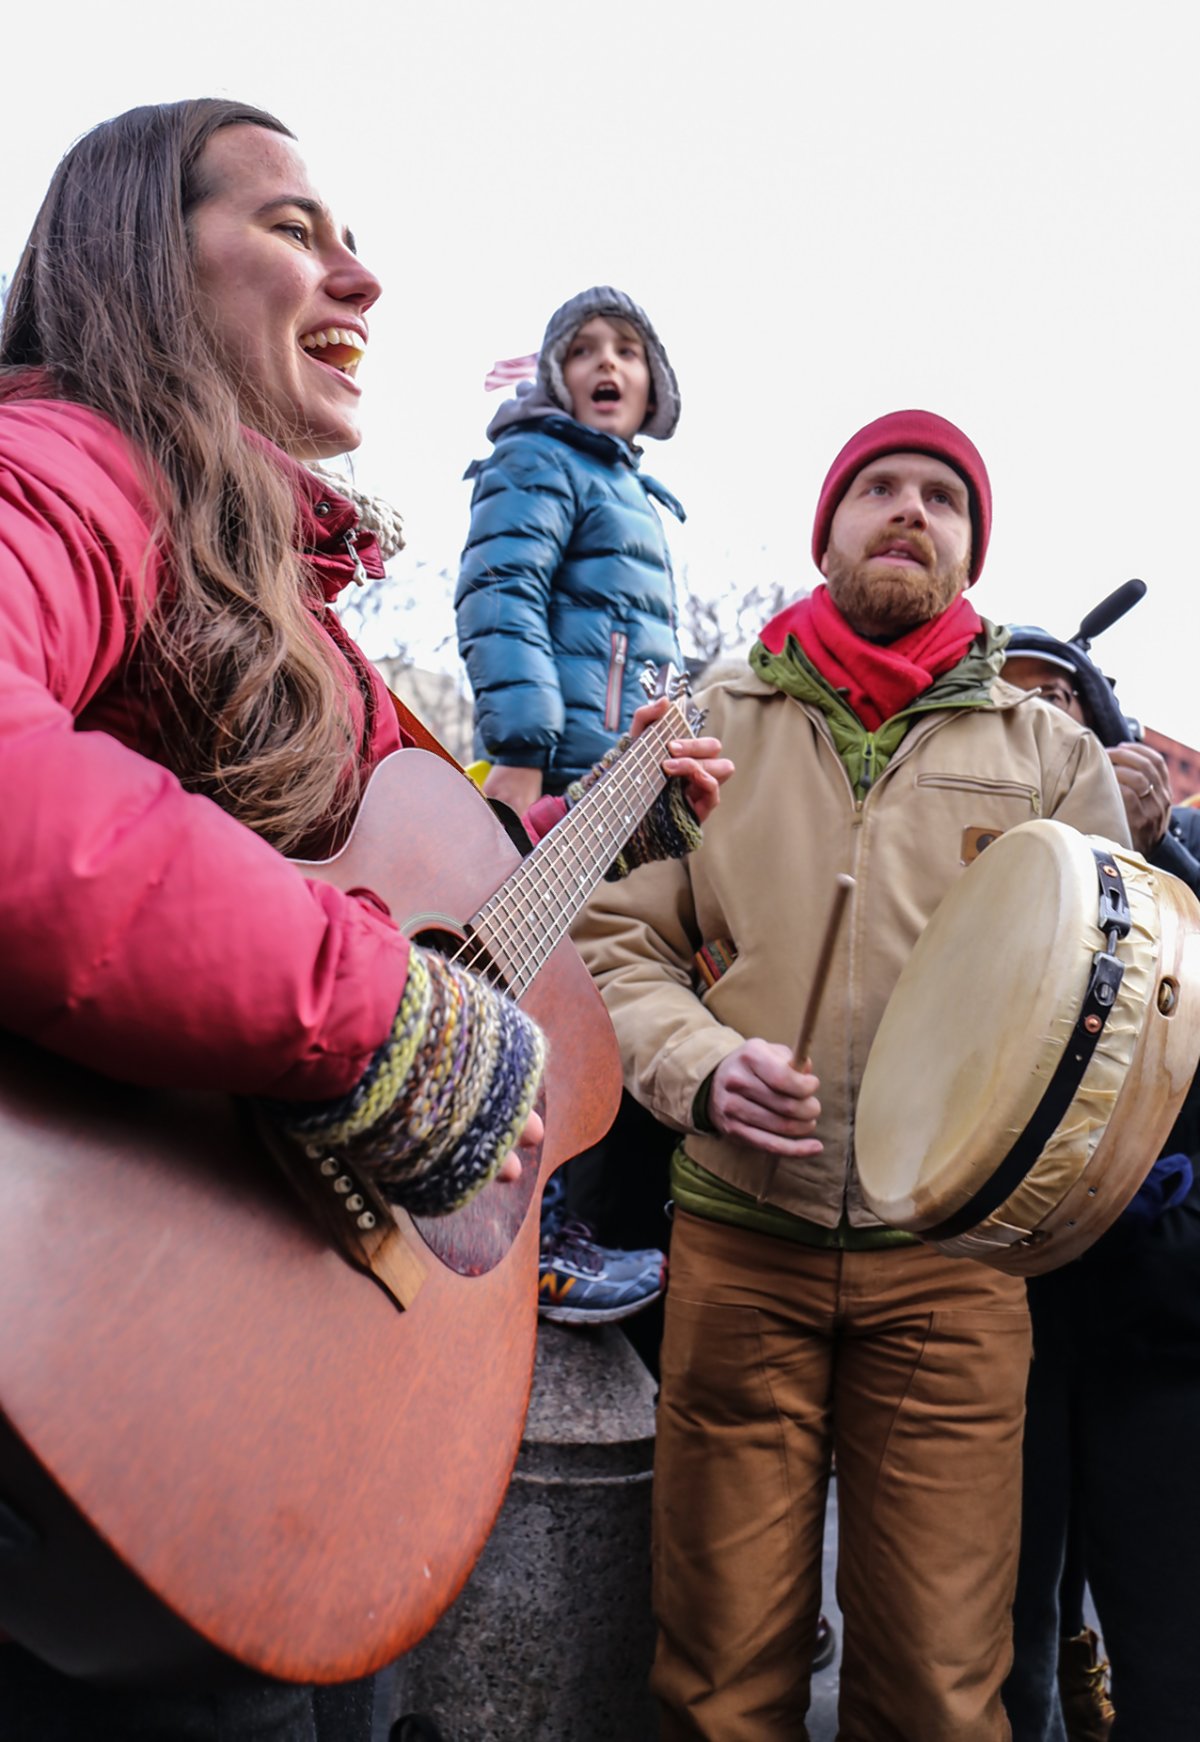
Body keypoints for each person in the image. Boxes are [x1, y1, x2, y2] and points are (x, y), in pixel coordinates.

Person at [0, 100, 728, 1742]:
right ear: (136, 255)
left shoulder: (305, 622)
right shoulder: (65, 469)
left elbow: (467, 895)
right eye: (292, 226)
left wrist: (625, 811)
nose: (363, 276)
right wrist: (371, 1019)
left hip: (302, 1450)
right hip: (132, 1414)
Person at [574, 410, 1130, 1741]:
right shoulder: (703, 724)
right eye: (876, 486)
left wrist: (1017, 1177)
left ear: (970, 548)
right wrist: (703, 1070)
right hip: (737, 1248)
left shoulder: (1055, 759)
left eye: (942, 494)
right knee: (718, 1678)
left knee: (941, 1687)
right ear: (826, 530)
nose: (907, 509)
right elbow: (610, 937)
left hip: (955, 1269)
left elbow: (1120, 1015)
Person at [455, 286, 687, 1324]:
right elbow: (502, 587)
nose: (607, 363)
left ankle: (563, 1217)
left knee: (587, 991)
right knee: (532, 991)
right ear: (554, 378)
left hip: (616, 781)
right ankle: (537, 1237)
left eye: (627, 350)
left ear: (653, 383)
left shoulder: (639, 498)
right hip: (558, 775)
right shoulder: (540, 460)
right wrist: (520, 747)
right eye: (583, 349)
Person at [1000, 627, 1200, 1742]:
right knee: (1007, 1625)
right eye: (1025, 703)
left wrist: (1160, 848)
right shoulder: (988, 858)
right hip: (1009, 1311)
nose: (1054, 723)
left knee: (1171, 1639)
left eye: (1070, 703)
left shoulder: (1177, 847)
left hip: (1160, 1314)